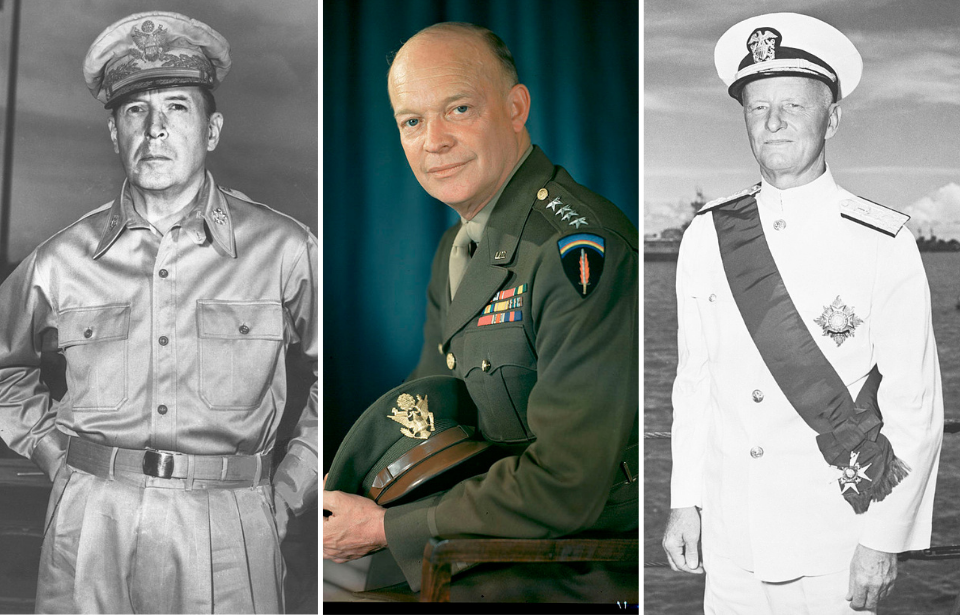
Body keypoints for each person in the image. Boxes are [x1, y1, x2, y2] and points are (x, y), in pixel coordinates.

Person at [0, 11, 318, 613]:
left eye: (176, 108)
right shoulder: (62, 259)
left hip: (229, 523)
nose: (155, 132)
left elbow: (341, 368)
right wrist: (49, 451)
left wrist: (291, 482)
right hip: (91, 519)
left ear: (212, 129)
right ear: (113, 133)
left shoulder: (286, 249)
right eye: (135, 112)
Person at [322, 22, 639, 602]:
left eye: (459, 109)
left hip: (572, 561)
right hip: (479, 539)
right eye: (411, 121)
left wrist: (382, 528)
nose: (433, 141)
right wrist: (348, 496)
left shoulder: (578, 250)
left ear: (516, 107)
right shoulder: (459, 246)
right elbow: (425, 412)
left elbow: (569, 483)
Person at [662, 12, 943, 614]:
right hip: (732, 542)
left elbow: (914, 405)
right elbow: (695, 382)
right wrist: (685, 500)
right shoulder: (707, 236)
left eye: (793, 105)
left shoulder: (881, 240)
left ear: (832, 118)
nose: (774, 122)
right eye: (758, 108)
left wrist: (883, 539)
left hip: (835, 539)